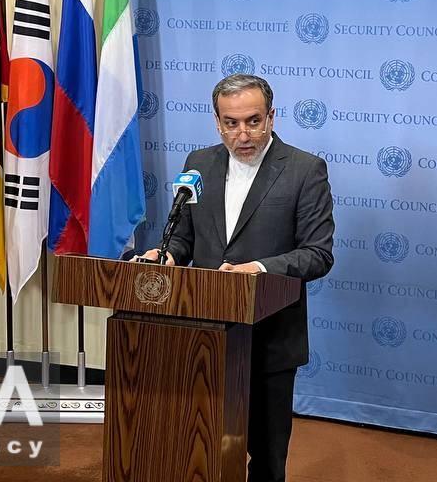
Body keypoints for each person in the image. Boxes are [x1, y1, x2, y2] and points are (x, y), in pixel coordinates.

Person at [132, 73, 334, 482]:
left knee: (267, 455)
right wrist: (167, 254)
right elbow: (185, 239)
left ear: (271, 117)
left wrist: (257, 269)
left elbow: (318, 255)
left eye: (253, 121)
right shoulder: (199, 164)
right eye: (231, 123)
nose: (243, 133)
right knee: (200, 445)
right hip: (203, 338)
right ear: (217, 122)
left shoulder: (304, 170)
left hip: (270, 337)